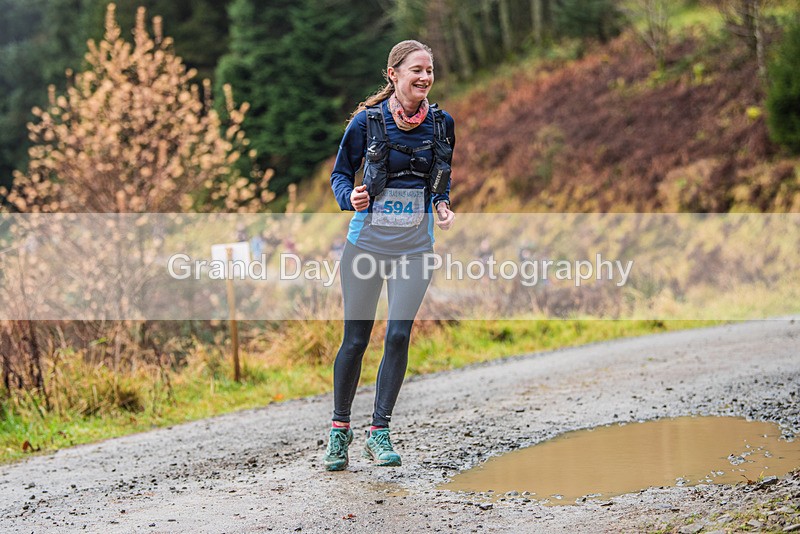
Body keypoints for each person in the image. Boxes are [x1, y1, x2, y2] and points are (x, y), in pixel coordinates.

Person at [323, 40, 456, 471]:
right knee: (357, 340)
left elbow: (441, 178)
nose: (424, 77)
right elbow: (340, 174)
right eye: (416, 70)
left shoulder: (442, 124)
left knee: (398, 335)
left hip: (416, 248)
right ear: (393, 75)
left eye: (429, 71)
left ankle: (379, 433)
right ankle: (339, 432)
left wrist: (441, 203)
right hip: (367, 245)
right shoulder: (366, 123)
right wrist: (352, 197)